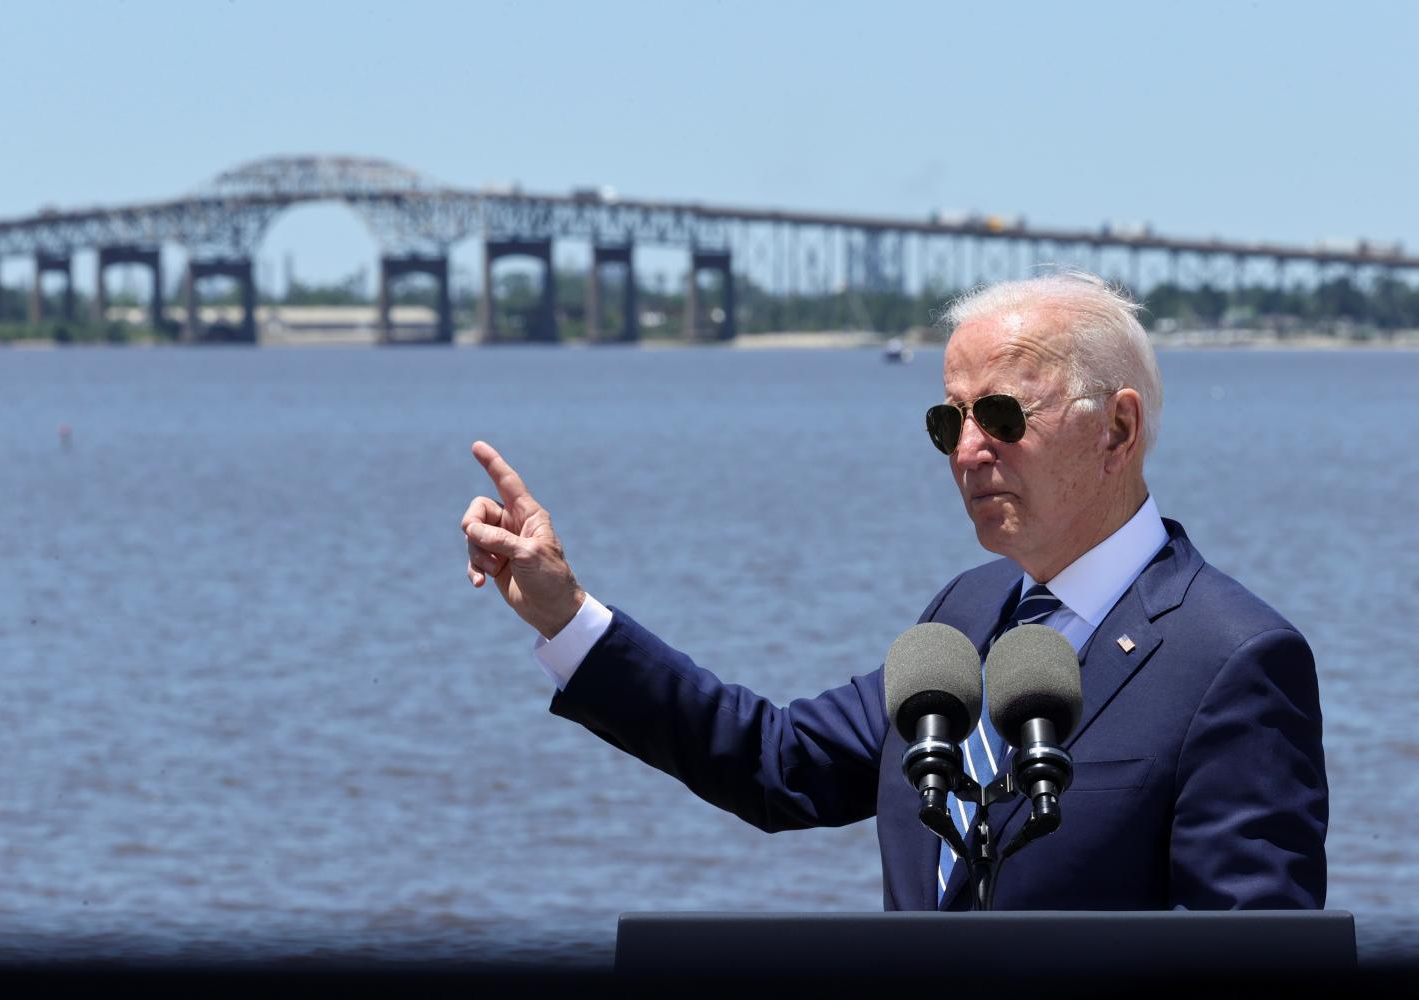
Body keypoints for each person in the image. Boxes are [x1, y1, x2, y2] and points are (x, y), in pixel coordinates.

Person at [460, 271, 1327, 911]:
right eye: (950, 421)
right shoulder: (963, 619)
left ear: (1119, 429)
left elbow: (1248, 962)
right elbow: (777, 764)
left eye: (1003, 417)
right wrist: (565, 617)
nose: (967, 451)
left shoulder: (1234, 660)